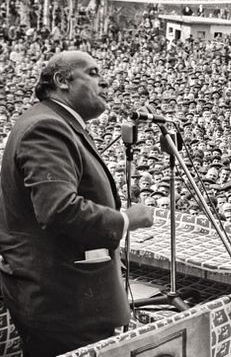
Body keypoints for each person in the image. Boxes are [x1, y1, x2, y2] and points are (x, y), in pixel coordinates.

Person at [0, 51, 154, 356]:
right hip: (63, 305)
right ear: (61, 81)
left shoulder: (56, 122)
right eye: (93, 72)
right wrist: (126, 220)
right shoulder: (46, 128)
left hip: (67, 301)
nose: (106, 81)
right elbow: (58, 209)